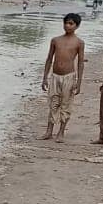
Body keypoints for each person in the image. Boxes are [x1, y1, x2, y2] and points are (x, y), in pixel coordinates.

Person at [41, 13, 85, 143]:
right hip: (55, 76)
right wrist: (44, 77)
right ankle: (49, 131)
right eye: (66, 23)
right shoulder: (55, 40)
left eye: (71, 23)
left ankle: (61, 132)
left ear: (77, 26)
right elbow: (49, 59)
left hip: (69, 76)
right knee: (53, 103)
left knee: (66, 104)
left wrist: (79, 82)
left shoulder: (79, 42)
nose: (67, 26)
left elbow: (80, 62)